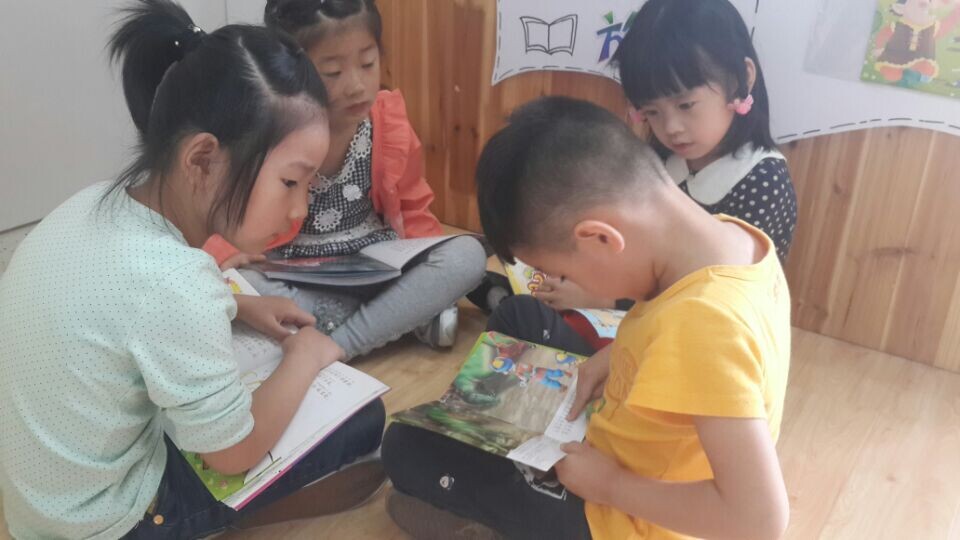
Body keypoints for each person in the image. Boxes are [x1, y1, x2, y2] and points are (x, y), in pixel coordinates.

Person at [0, 1, 385, 537]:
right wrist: (304, 357)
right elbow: (231, 454)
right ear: (202, 159)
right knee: (363, 420)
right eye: (290, 182)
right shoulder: (175, 282)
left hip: (40, 510)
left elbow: (127, 312)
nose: (299, 210)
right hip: (114, 522)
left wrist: (240, 305)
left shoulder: (90, 203)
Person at [381, 96, 792, 540]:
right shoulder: (732, 239)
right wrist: (617, 355)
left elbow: (760, 522)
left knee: (405, 446)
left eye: (560, 272)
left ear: (600, 238)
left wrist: (610, 485)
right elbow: (698, 351)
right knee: (519, 313)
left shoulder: (704, 326)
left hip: (617, 516)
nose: (558, 282)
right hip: (617, 431)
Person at [205, 0, 487, 360]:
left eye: (368, 64)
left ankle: (338, 343)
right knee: (242, 287)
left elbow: (414, 207)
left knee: (467, 255)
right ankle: (395, 318)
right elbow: (220, 208)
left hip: (377, 264)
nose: (356, 86)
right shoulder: (268, 129)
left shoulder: (387, 124)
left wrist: (426, 257)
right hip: (294, 271)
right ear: (289, 73)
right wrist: (227, 252)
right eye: (333, 72)